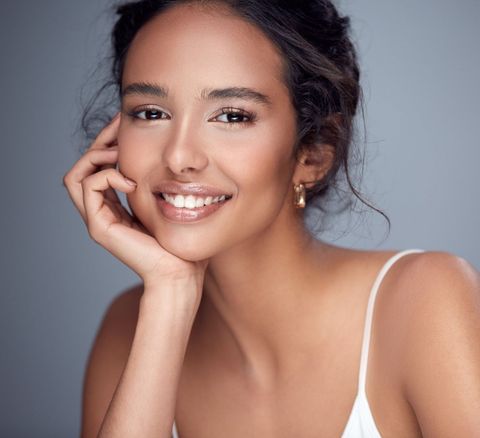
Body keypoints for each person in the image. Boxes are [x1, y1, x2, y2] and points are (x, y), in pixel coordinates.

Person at [62, 1, 480, 437]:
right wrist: (170, 295)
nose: (179, 156)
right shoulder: (129, 328)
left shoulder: (426, 301)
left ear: (313, 153)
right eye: (150, 113)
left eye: (232, 116)